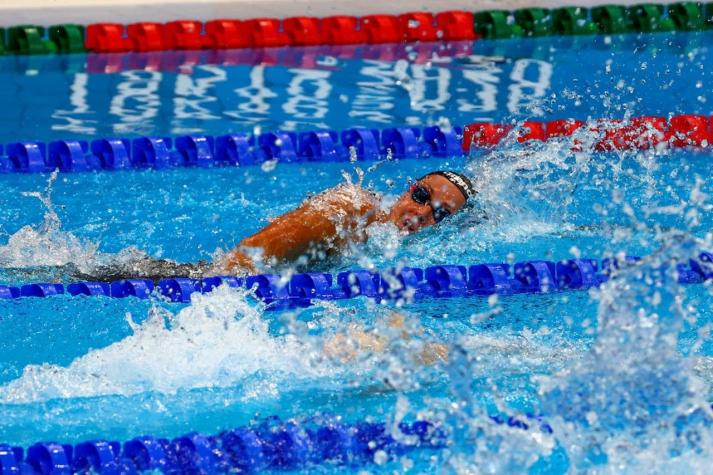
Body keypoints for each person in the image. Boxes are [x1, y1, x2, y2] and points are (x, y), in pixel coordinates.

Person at [74, 170, 476, 282]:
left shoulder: (387, 239)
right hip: (200, 280)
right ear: (409, 188)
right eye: (422, 197)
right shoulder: (348, 209)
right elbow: (245, 256)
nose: (422, 213)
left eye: (439, 214)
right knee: (79, 275)